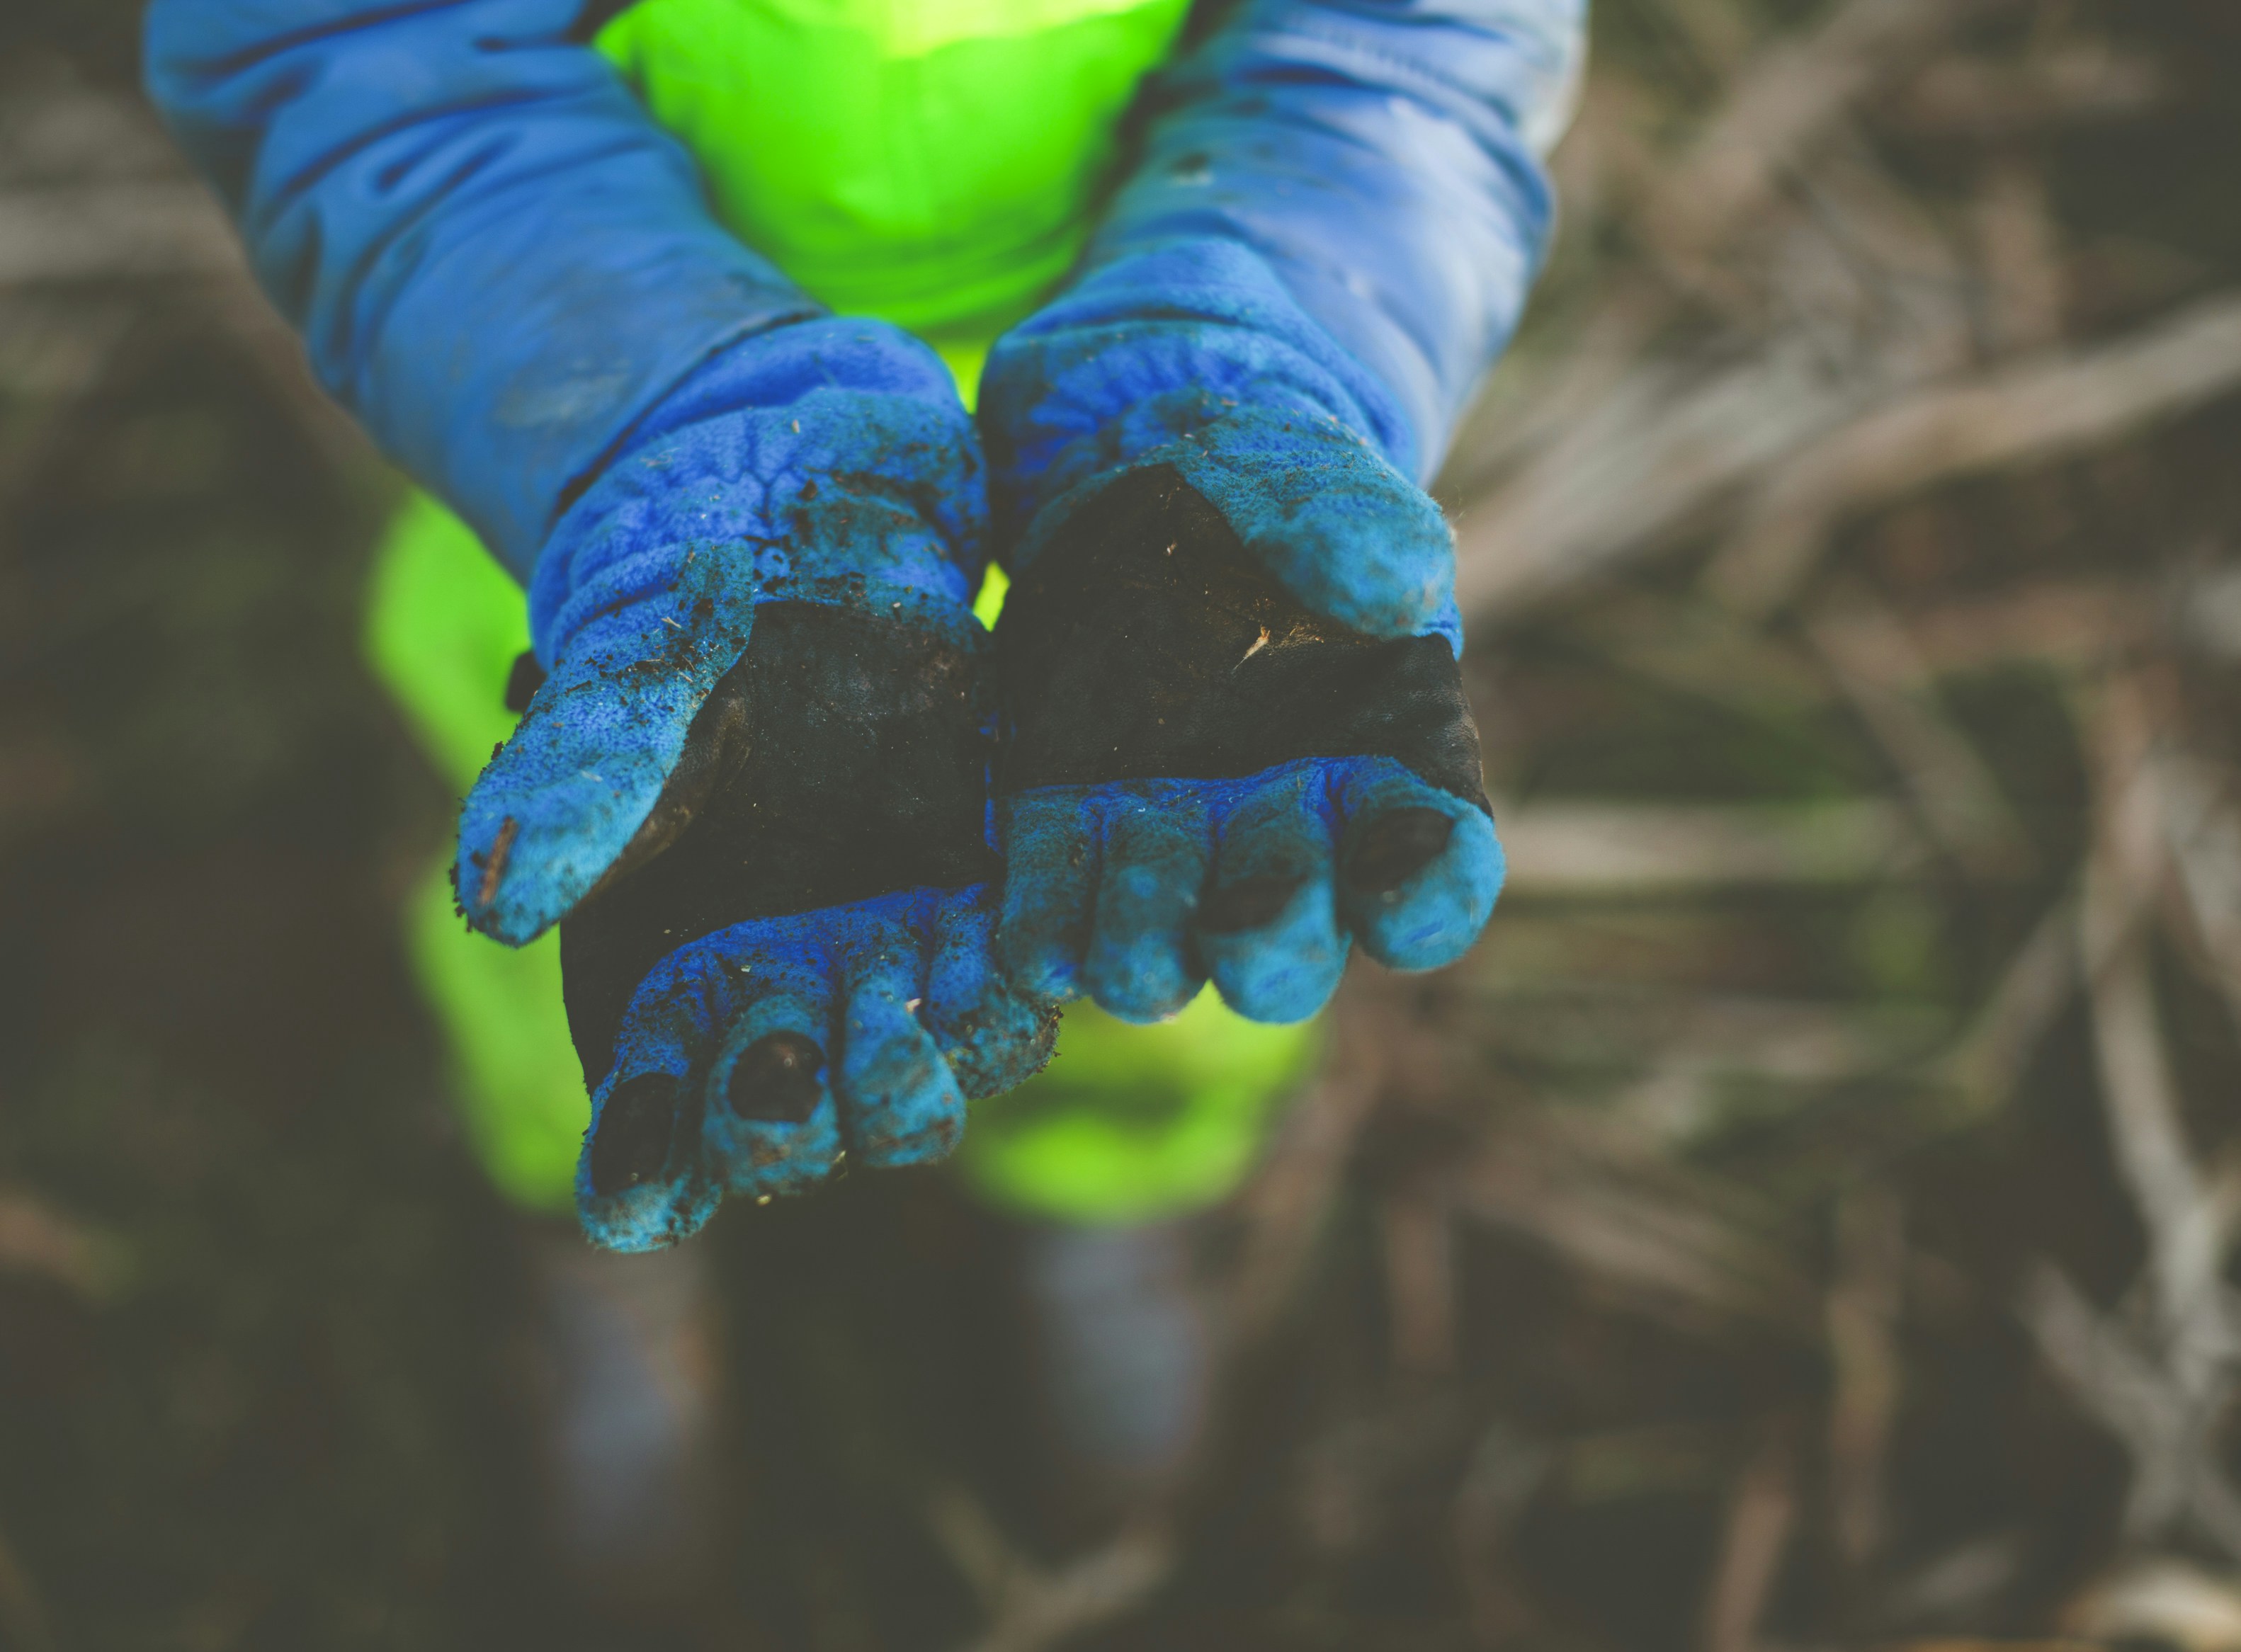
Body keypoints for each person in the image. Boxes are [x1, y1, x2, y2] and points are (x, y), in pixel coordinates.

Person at [145, 0, 1582, 1605]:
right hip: (617, 489)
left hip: (1171, 463)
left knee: (1179, 888)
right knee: (587, 872)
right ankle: (591, 1232)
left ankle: (1110, 1195)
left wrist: (1264, 338)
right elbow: (351, 52)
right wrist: (657, 419)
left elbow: (1417, 45)